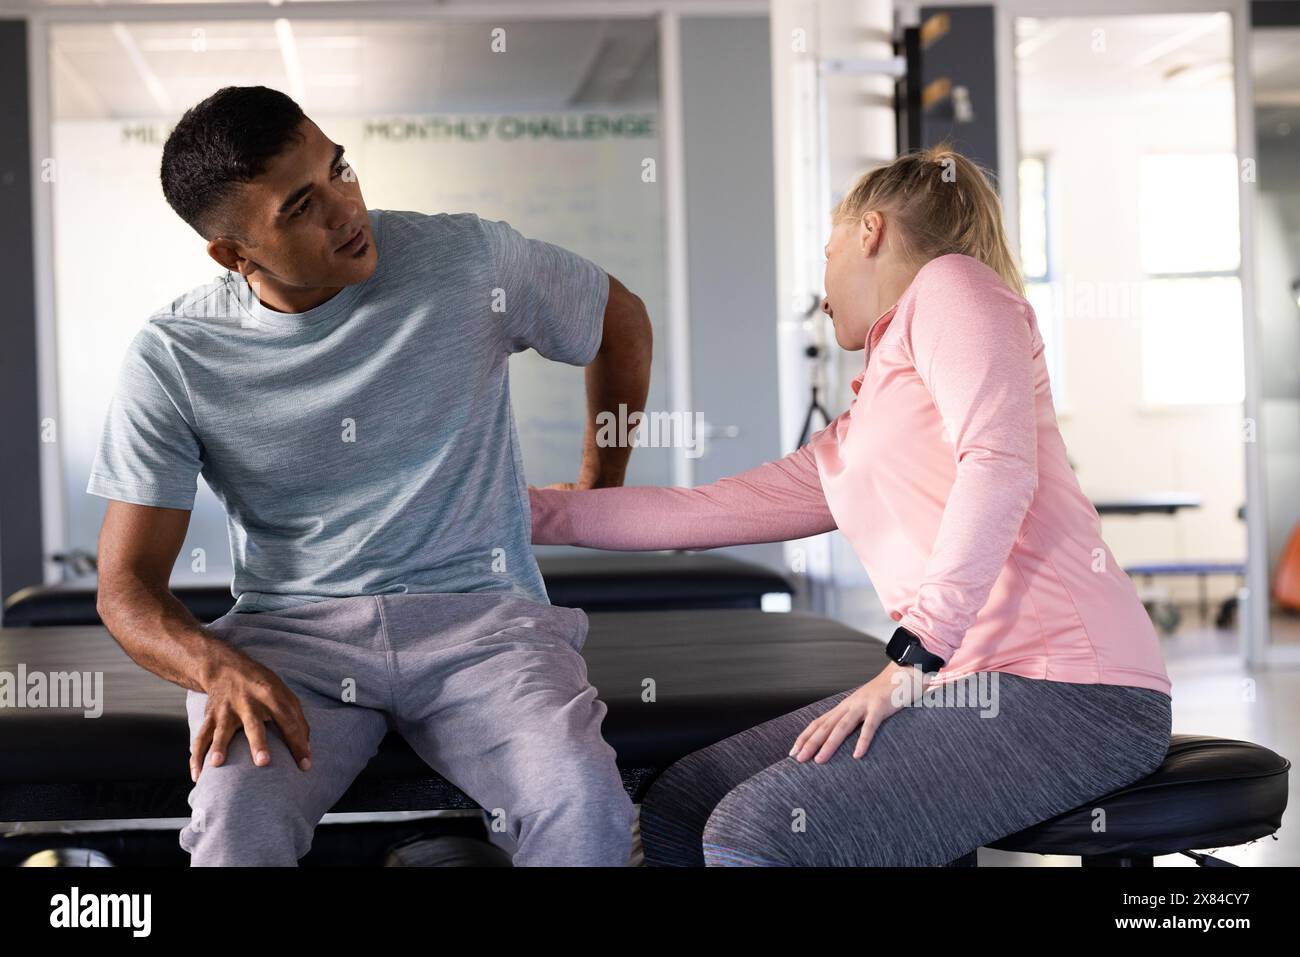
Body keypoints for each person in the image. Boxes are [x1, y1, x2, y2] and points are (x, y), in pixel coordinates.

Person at [529, 145, 1173, 867]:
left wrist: (912, 657)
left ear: (871, 232)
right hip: (968, 685)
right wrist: (536, 514)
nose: (824, 287)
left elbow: (997, 465)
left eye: (827, 252)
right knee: (687, 800)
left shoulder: (954, 287)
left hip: (1075, 691)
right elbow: (703, 510)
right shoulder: (864, 425)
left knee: (759, 828)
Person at [87, 85, 652, 866]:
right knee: (232, 829)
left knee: (584, 804)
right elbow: (126, 585)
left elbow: (619, 321)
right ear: (232, 253)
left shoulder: (468, 261)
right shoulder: (175, 355)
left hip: (482, 622)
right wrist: (215, 664)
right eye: (300, 206)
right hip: (294, 641)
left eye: (341, 169)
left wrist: (600, 485)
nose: (346, 209)